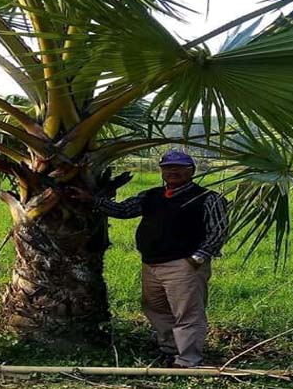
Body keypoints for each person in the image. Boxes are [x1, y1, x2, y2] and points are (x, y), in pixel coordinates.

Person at [73, 150, 228, 368]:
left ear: (191, 171)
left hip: (183, 265)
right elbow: (124, 210)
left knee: (187, 313)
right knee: (156, 309)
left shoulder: (207, 198)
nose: (173, 171)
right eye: (167, 167)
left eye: (179, 167)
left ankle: (188, 359)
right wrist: (93, 200)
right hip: (151, 263)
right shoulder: (151, 195)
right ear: (162, 171)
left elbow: (218, 231)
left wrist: (196, 259)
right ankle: (169, 349)